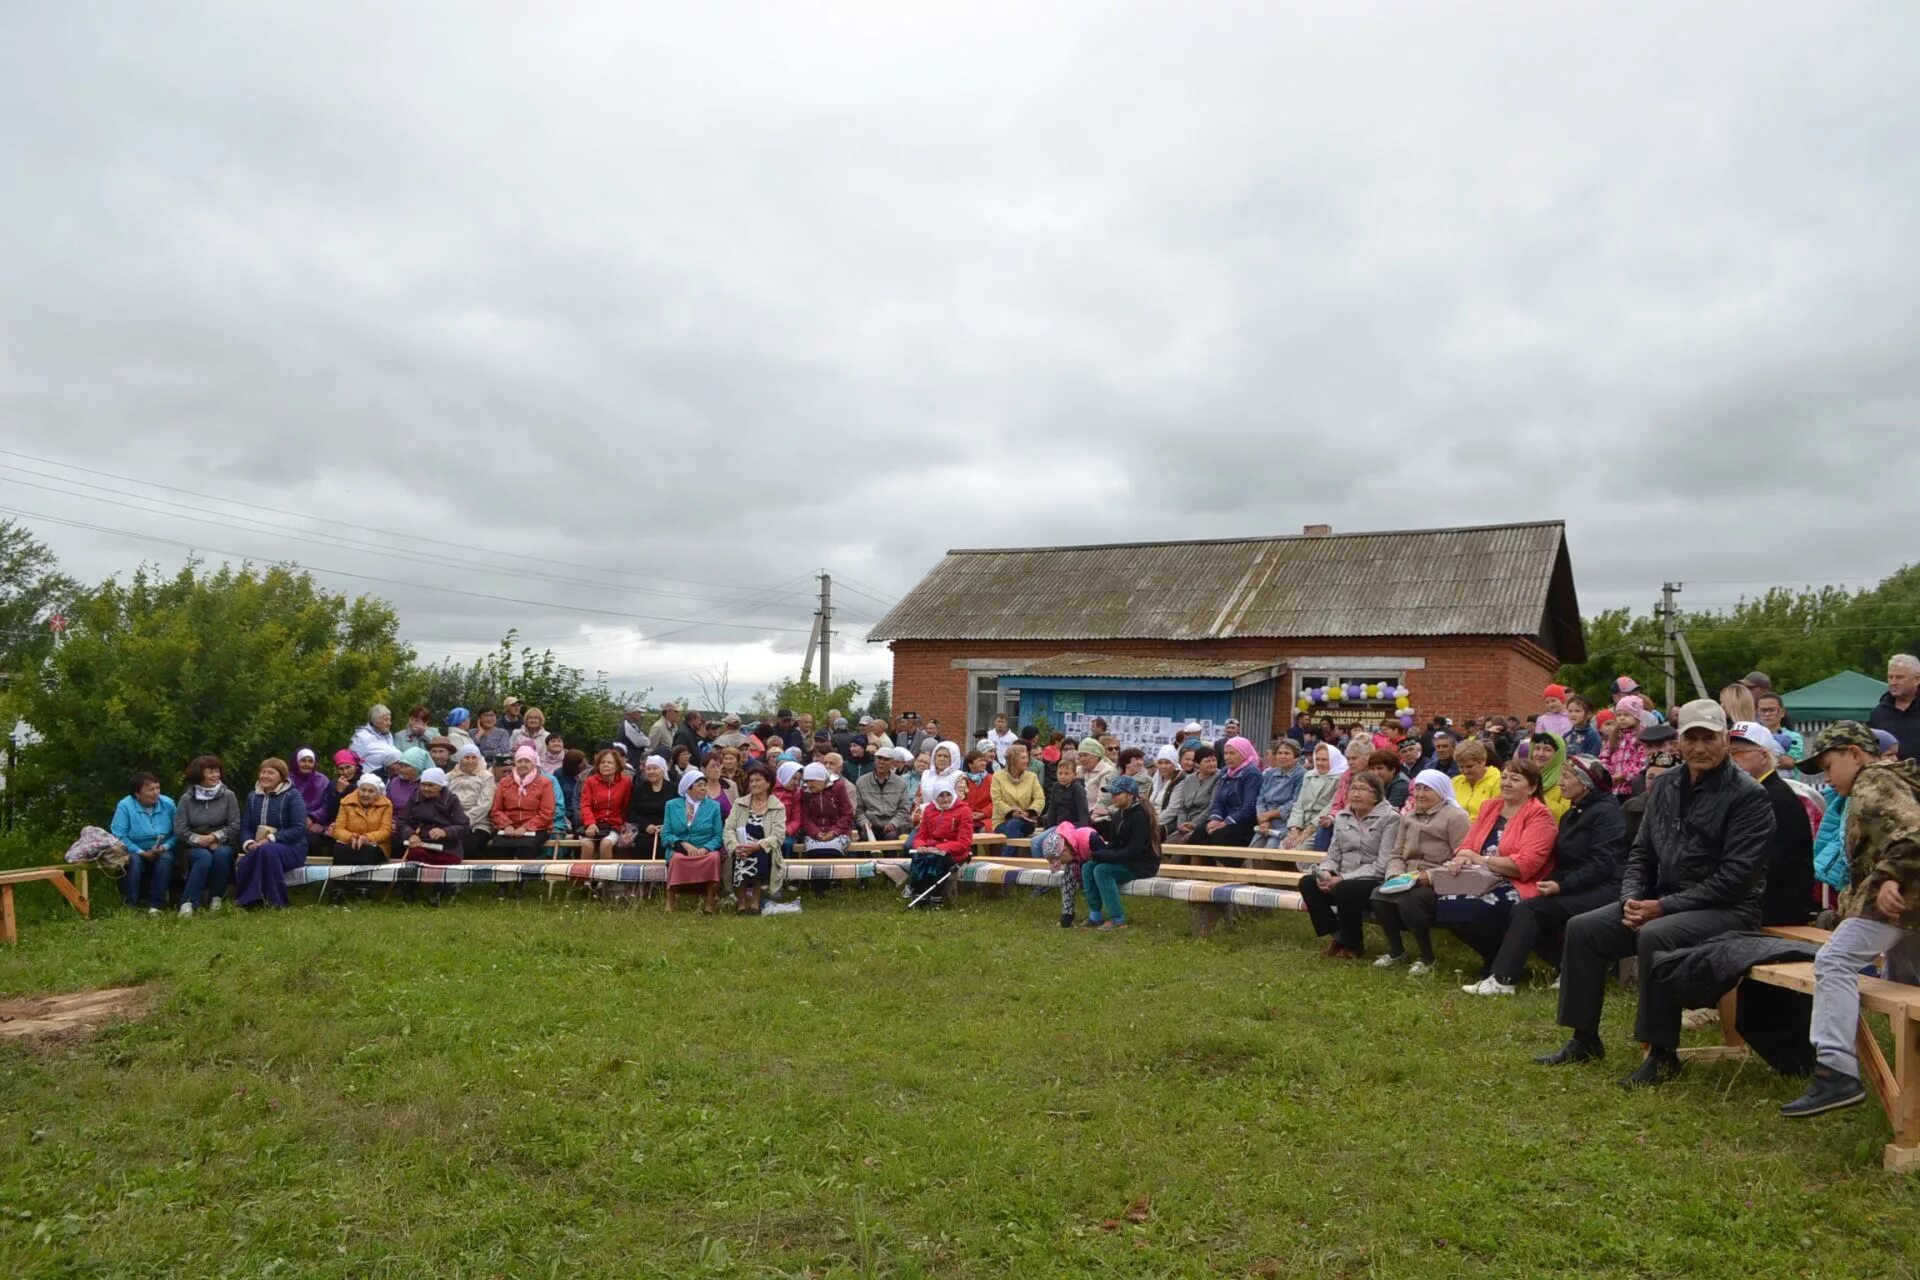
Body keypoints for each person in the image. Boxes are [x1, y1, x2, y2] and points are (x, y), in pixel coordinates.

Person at [1537, 700, 1774, 1087]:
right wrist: (1630, 898)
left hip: (1729, 909)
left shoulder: (1748, 796)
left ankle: (1662, 1054)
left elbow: (1735, 878)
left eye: (1708, 738)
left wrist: (1663, 907)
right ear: (1679, 743)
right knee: (1583, 928)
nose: (1700, 747)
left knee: (1655, 935)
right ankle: (1583, 1039)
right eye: (1691, 738)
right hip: (1663, 900)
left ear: (1725, 741)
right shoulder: (1664, 784)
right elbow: (1641, 852)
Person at [1780, 723, 1920, 1117]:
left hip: (1898, 901)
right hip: (1909, 909)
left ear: (1856, 754)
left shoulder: (1872, 781)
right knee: (1907, 985)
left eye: (1829, 765)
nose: (1827, 777)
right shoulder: (1888, 781)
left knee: (1833, 960)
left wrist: (1892, 875)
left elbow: (1913, 833)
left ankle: (1834, 1073)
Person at [1470, 756, 1625, 994]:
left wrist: (1561, 886)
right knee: (1529, 906)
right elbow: (1562, 859)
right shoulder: (1573, 813)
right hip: (1577, 884)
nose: (1559, 782)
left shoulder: (1606, 813)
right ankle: (1570, 967)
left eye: (1566, 777)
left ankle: (1503, 979)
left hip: (1606, 888)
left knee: (1529, 910)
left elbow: (1602, 864)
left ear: (1584, 783)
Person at [1445, 758, 1561, 990]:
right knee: (1446, 901)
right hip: (1481, 875)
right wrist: (1461, 856)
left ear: (1531, 787)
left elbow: (1525, 865)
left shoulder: (1540, 815)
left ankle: (1500, 964)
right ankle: (1495, 957)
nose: (1506, 783)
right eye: (1505, 777)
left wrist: (1482, 859)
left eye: (1515, 779)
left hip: (1517, 882)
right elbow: (1468, 843)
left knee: (1470, 907)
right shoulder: (1492, 806)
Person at [1370, 769, 1471, 974]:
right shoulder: (1408, 817)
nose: (1420, 794)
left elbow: (1462, 856)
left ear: (1441, 792)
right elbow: (1397, 853)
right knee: (1378, 896)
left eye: (1427, 789)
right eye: (1418, 788)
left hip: (1441, 879)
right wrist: (1394, 875)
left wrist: (1430, 876)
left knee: (1410, 901)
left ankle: (1426, 957)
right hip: (1407, 877)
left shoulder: (1455, 817)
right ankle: (1396, 950)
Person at [1719, 721, 1814, 926]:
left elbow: (1772, 863)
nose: (1732, 759)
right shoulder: (1751, 794)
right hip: (1754, 902)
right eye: (1729, 752)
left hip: (1775, 908)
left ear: (1763, 755)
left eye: (1738, 752)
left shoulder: (1776, 798)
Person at [1299, 772, 1398, 958]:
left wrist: (1342, 878)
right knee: (1307, 883)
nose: (1356, 794)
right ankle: (1339, 936)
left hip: (1374, 879)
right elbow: (1333, 853)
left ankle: (1353, 946)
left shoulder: (1390, 818)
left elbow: (1382, 864)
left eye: (1362, 789)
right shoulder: (1343, 816)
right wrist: (1326, 872)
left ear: (1376, 795)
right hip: (1342, 877)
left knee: (1346, 889)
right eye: (1353, 788)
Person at [1079, 775, 1163, 931]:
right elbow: (1114, 845)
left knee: (1102, 870)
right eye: (1112, 793)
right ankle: (1095, 915)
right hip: (1127, 860)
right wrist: (1098, 854)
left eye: (1117, 793)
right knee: (1088, 867)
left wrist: (1105, 856)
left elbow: (1134, 851)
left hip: (1142, 864)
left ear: (1130, 795)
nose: (1113, 797)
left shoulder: (1140, 817)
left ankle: (1118, 919)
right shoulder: (1118, 815)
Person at [163, 756, 239, 916]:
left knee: (222, 854)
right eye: (210, 772)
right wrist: (199, 840)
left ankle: (216, 898)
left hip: (222, 842)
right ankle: (188, 903)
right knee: (203, 857)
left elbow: (234, 825)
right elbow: (180, 829)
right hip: (193, 845)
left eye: (217, 771)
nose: (215, 775)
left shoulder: (228, 796)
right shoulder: (187, 798)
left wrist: (214, 837)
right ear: (199, 774)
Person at [232, 758, 310, 910]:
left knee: (269, 851)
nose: (265, 776)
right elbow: (246, 826)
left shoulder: (292, 796)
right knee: (245, 862)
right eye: (263, 772)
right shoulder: (253, 797)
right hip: (260, 848)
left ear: (281, 776)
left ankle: (275, 901)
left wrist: (271, 839)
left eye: (270, 773)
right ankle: (251, 900)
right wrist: (248, 844)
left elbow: (299, 828)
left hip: (293, 848)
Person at [395, 767, 469, 903]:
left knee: (447, 862)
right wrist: (410, 834)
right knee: (415, 857)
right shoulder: (415, 797)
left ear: (440, 786)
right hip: (421, 840)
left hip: (446, 844)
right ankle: (409, 890)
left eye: (430, 785)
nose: (426, 789)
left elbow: (464, 825)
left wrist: (445, 831)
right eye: (423, 784)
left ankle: (438, 892)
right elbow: (401, 821)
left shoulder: (451, 799)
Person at [724, 766, 786, 914]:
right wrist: (735, 846)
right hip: (741, 846)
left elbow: (778, 835)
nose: (753, 784)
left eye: (758, 780)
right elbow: (728, 829)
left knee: (760, 854)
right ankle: (741, 900)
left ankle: (755, 900)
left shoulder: (777, 807)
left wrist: (758, 845)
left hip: (763, 847)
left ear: (768, 783)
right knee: (741, 855)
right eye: (751, 781)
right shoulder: (740, 803)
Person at [662, 771, 724, 912]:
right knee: (677, 859)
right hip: (680, 849)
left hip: (705, 850)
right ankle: (670, 900)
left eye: (704, 785)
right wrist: (683, 844)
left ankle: (709, 902)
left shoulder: (714, 806)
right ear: (688, 789)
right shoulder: (671, 805)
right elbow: (665, 835)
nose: (703, 788)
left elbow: (718, 835)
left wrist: (706, 848)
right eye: (699, 785)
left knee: (714, 858)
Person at [1197, 735, 1264, 856]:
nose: (1227, 757)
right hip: (1224, 819)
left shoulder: (1252, 773)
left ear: (1243, 753)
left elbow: (1248, 807)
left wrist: (1224, 823)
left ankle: (1222, 873)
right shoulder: (1225, 771)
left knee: (1219, 836)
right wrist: (1215, 819)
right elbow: (1218, 801)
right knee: (1200, 833)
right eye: (1225, 753)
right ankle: (1194, 873)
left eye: (1232, 753)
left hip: (1244, 822)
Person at [490, 744, 556, 859]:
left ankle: (524, 876)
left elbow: (547, 813)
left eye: (527, 761)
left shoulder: (545, 783)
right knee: (500, 848)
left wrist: (526, 827)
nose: (523, 764)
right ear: (515, 763)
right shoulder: (504, 782)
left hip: (537, 827)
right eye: (520, 761)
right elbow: (496, 810)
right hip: (509, 826)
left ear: (533, 763)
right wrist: (506, 825)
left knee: (526, 849)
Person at [1284, 742, 1345, 849]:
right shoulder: (1309, 775)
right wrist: (1294, 828)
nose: (1320, 763)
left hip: (1318, 826)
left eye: (1325, 760)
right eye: (1317, 759)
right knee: (1284, 847)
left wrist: (1308, 831)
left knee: (1299, 849)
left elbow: (1330, 807)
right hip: (1301, 824)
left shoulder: (1340, 778)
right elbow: (1299, 804)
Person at [577, 748, 632, 862]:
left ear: (617, 766)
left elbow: (626, 805)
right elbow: (585, 805)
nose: (605, 765)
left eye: (609, 762)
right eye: (602, 762)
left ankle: (604, 878)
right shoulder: (590, 781)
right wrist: (590, 823)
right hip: (592, 823)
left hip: (614, 824)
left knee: (606, 844)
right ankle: (585, 878)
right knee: (588, 846)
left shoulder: (626, 782)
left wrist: (624, 824)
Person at [1251, 740, 1305, 849]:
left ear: (1296, 757)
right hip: (1265, 822)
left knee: (1269, 852)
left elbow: (1295, 802)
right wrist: (1263, 819)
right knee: (1252, 851)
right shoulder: (1270, 773)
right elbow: (1261, 799)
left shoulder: (1302, 775)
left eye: (1287, 753)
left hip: (1286, 823)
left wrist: (1270, 814)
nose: (1282, 756)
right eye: (1280, 753)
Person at [1162, 745, 1221, 842]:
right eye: (1208, 761)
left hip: (1203, 823)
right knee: (1167, 844)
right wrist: (1180, 824)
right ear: (1197, 764)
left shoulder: (1218, 777)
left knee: (1183, 843)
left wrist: (1194, 824)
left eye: (1214, 760)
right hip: (1185, 823)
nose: (1212, 764)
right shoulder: (1189, 779)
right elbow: (1182, 807)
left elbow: (1211, 807)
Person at [854, 747, 914, 840]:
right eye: (879, 758)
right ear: (875, 760)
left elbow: (904, 809)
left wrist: (894, 823)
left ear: (893, 763)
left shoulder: (901, 783)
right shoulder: (862, 782)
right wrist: (864, 822)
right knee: (865, 835)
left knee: (892, 836)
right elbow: (858, 809)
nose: (881, 762)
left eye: (886, 759)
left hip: (892, 823)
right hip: (870, 823)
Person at [448, 744, 496, 859]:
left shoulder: (486, 777)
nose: (470, 761)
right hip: (452, 821)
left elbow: (484, 804)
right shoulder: (449, 777)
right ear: (460, 759)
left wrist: (465, 821)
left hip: (479, 822)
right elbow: (445, 801)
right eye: (466, 757)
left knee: (468, 846)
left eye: (473, 757)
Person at [1599, 696, 1653, 796]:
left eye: (1626, 715)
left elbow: (1643, 762)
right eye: (1619, 715)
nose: (1622, 718)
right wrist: (1608, 773)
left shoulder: (1642, 737)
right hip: (1613, 787)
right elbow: (1604, 756)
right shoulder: (1614, 736)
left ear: (1636, 717)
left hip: (1632, 788)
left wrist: (1624, 775)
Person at [797, 761, 854, 854]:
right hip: (814, 833)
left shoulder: (838, 787)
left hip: (839, 831)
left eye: (811, 781)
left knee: (833, 850)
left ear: (821, 779)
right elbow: (805, 818)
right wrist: (815, 833)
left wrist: (834, 832)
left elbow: (848, 814)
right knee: (814, 851)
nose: (808, 785)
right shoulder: (806, 792)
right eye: (806, 781)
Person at [1870, 654, 1920, 762]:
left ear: (1917, 679)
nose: (1893, 682)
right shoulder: (1878, 714)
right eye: (1890, 677)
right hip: (1888, 777)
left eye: (1899, 677)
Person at [991, 743, 1046, 837]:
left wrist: (1028, 812)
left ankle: (1006, 852)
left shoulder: (1032, 777)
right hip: (1002, 822)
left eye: (1027, 757)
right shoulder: (997, 777)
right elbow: (997, 800)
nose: (1026, 761)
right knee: (1014, 826)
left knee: (1015, 824)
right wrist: (1012, 813)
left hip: (1026, 821)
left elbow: (1040, 799)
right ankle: (1011, 851)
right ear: (1013, 760)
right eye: (1023, 758)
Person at [625, 755, 674, 857]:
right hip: (644, 831)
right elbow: (631, 812)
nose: (651, 772)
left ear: (663, 770)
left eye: (655, 768)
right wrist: (645, 826)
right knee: (644, 844)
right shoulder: (639, 788)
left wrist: (666, 826)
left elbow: (677, 812)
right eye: (648, 768)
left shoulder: (673, 788)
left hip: (666, 830)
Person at [1449, 740, 1501, 820]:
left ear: (1483, 762)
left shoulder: (1498, 780)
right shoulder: (1455, 782)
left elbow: (1496, 814)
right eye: (1461, 767)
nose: (1465, 771)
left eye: (1469, 766)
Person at [1525, 731, 1572, 819]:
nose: (1540, 754)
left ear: (1558, 754)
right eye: (1537, 748)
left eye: (1547, 750)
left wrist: (1534, 797)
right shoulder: (1524, 776)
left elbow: (1565, 815)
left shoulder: (1567, 780)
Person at [1075, 738, 1120, 826]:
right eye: (1080, 756)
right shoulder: (1078, 770)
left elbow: (1103, 801)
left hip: (1093, 818)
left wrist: (1088, 818)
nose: (1082, 759)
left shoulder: (1108, 771)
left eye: (1085, 755)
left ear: (1096, 756)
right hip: (1075, 815)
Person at [351, 703, 402, 773]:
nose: (390, 723)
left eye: (390, 720)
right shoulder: (361, 737)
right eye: (386, 720)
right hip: (369, 780)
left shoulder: (388, 735)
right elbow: (352, 761)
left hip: (387, 779)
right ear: (375, 722)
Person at [1043, 754, 1091, 828]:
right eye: (1060, 773)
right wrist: (1049, 829)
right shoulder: (1056, 786)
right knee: (1036, 840)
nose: (1063, 776)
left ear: (1074, 775)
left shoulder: (1077, 788)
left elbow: (1083, 813)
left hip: (1073, 827)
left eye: (1066, 774)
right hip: (1058, 827)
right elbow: (1052, 810)